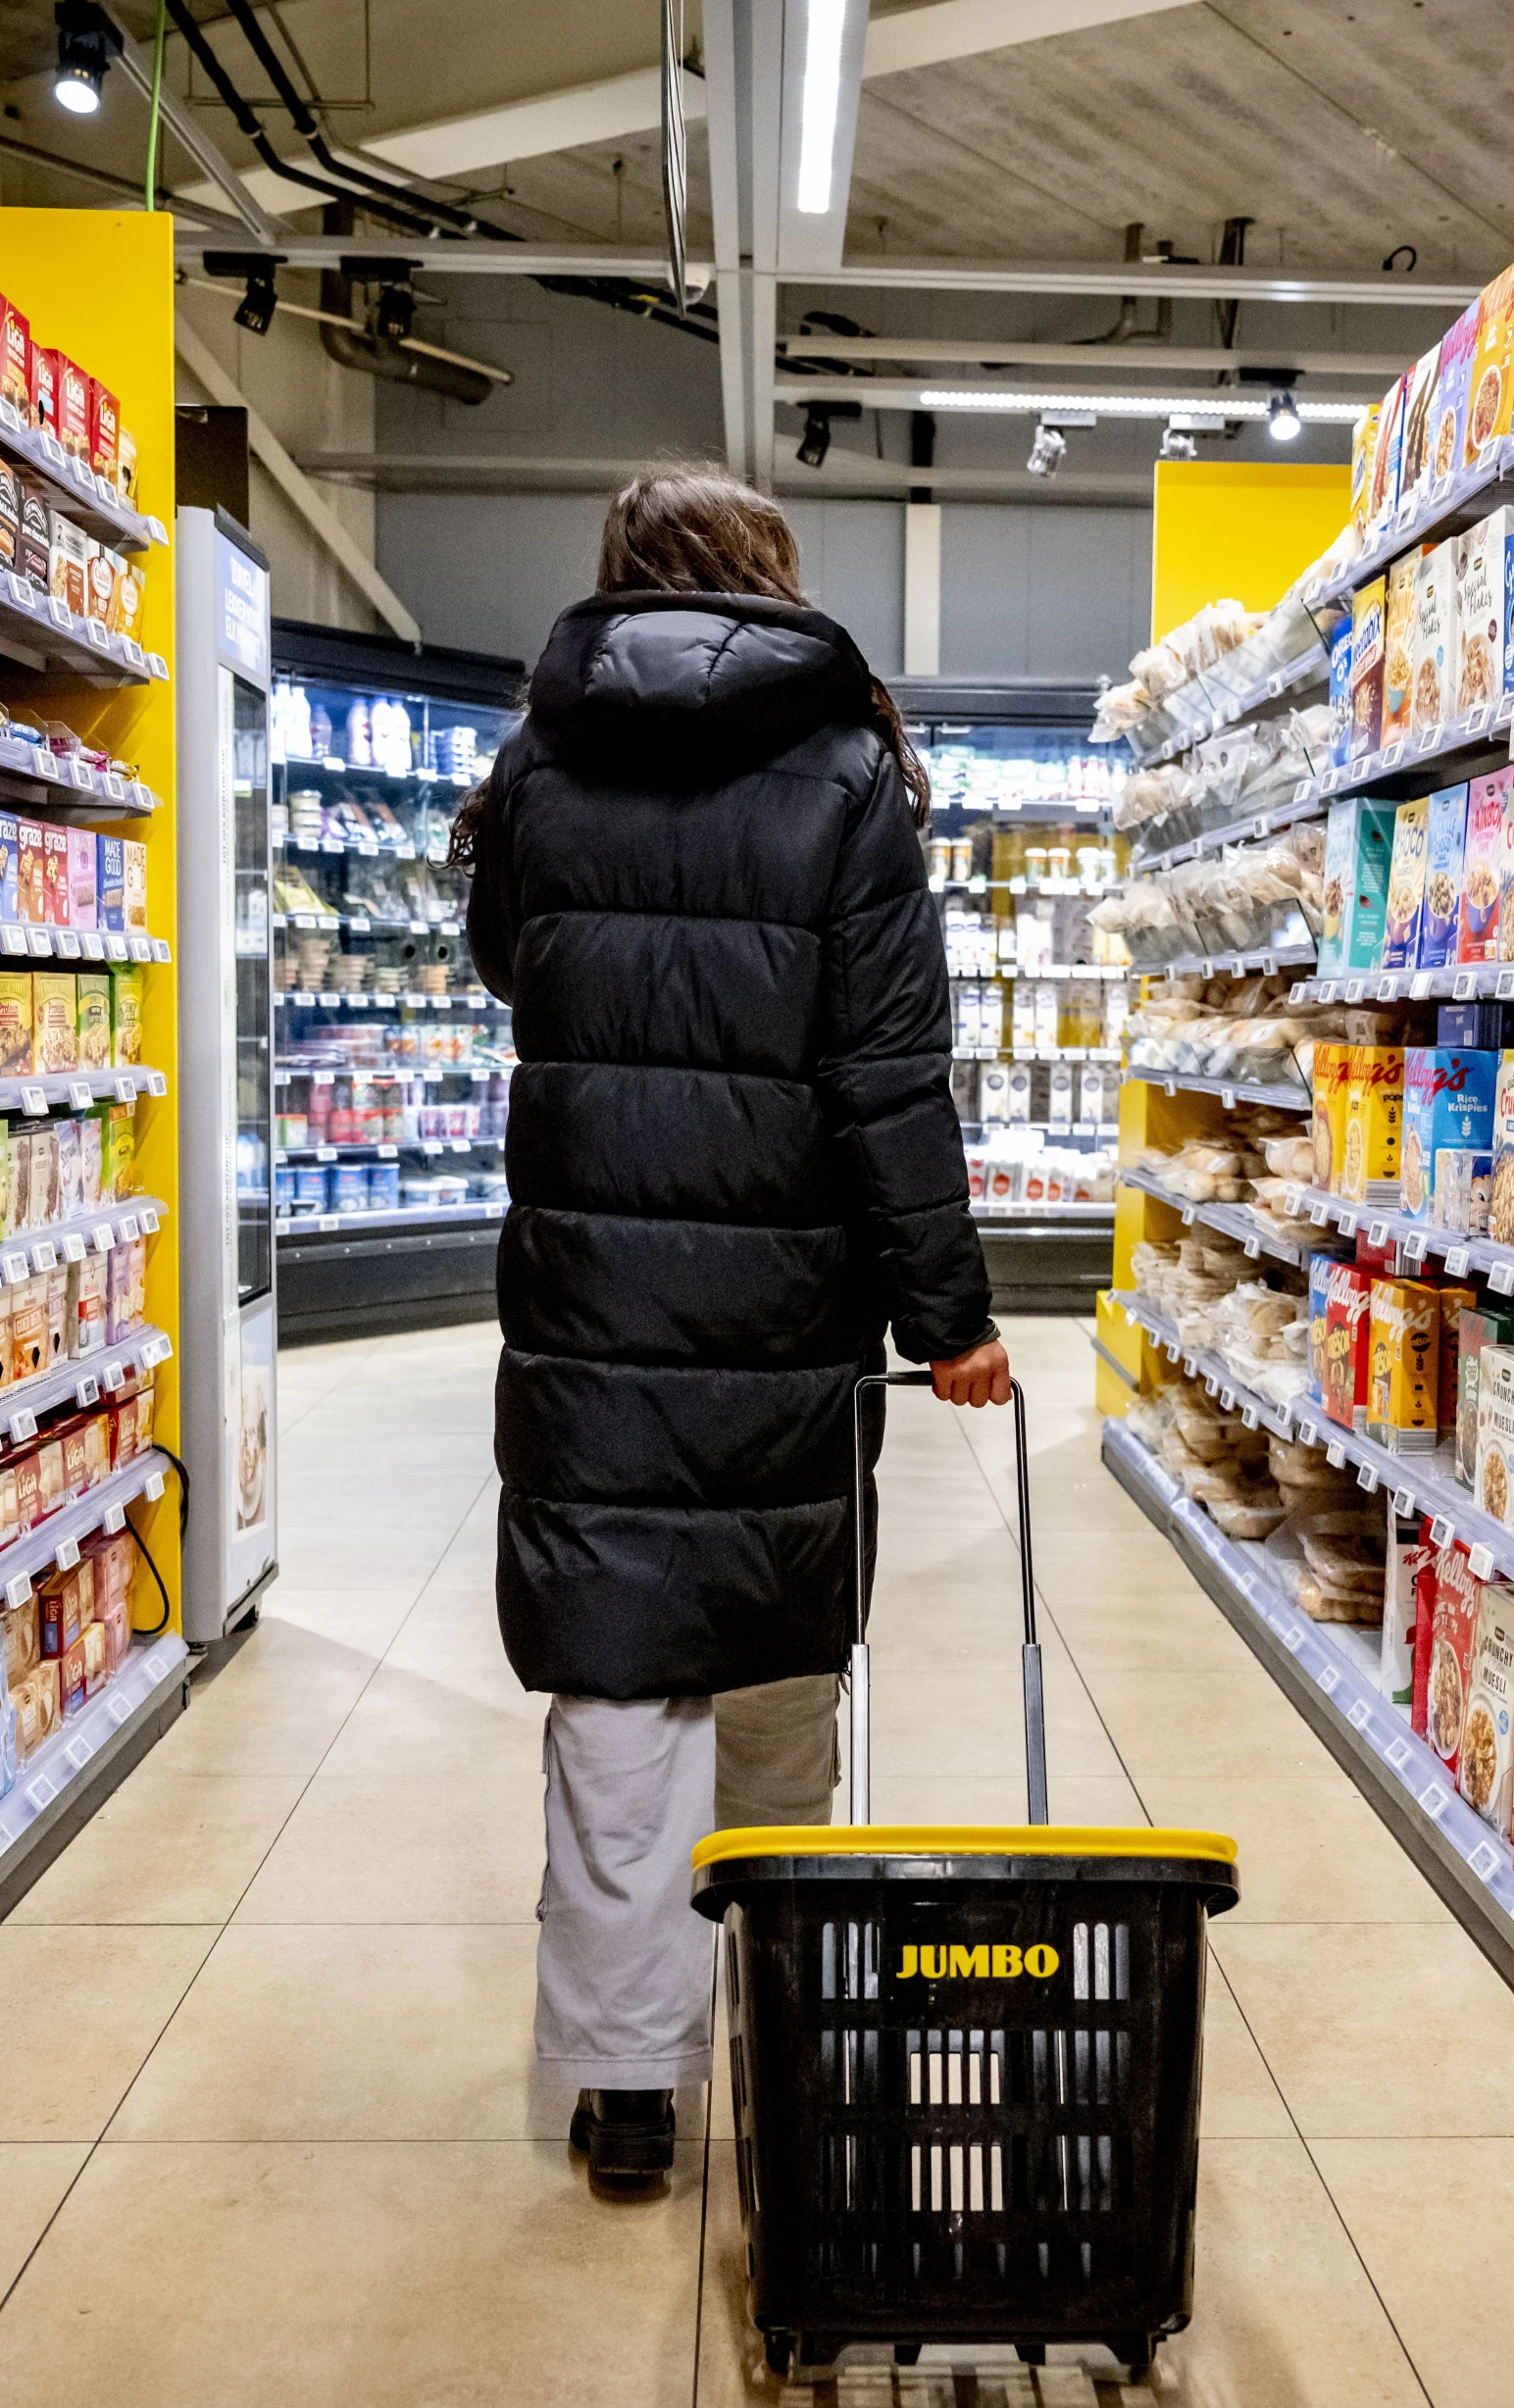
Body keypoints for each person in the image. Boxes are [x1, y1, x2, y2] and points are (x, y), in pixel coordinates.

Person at [459, 466, 1007, 2195]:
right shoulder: (850, 775)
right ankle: (784, 2008)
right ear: (773, 580)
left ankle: (628, 2080)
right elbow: (886, 1079)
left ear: (618, 579)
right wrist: (952, 1315)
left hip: (592, 1302)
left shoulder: (539, 763)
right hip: (783, 1306)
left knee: (619, 1690)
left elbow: (507, 966)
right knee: (774, 1672)